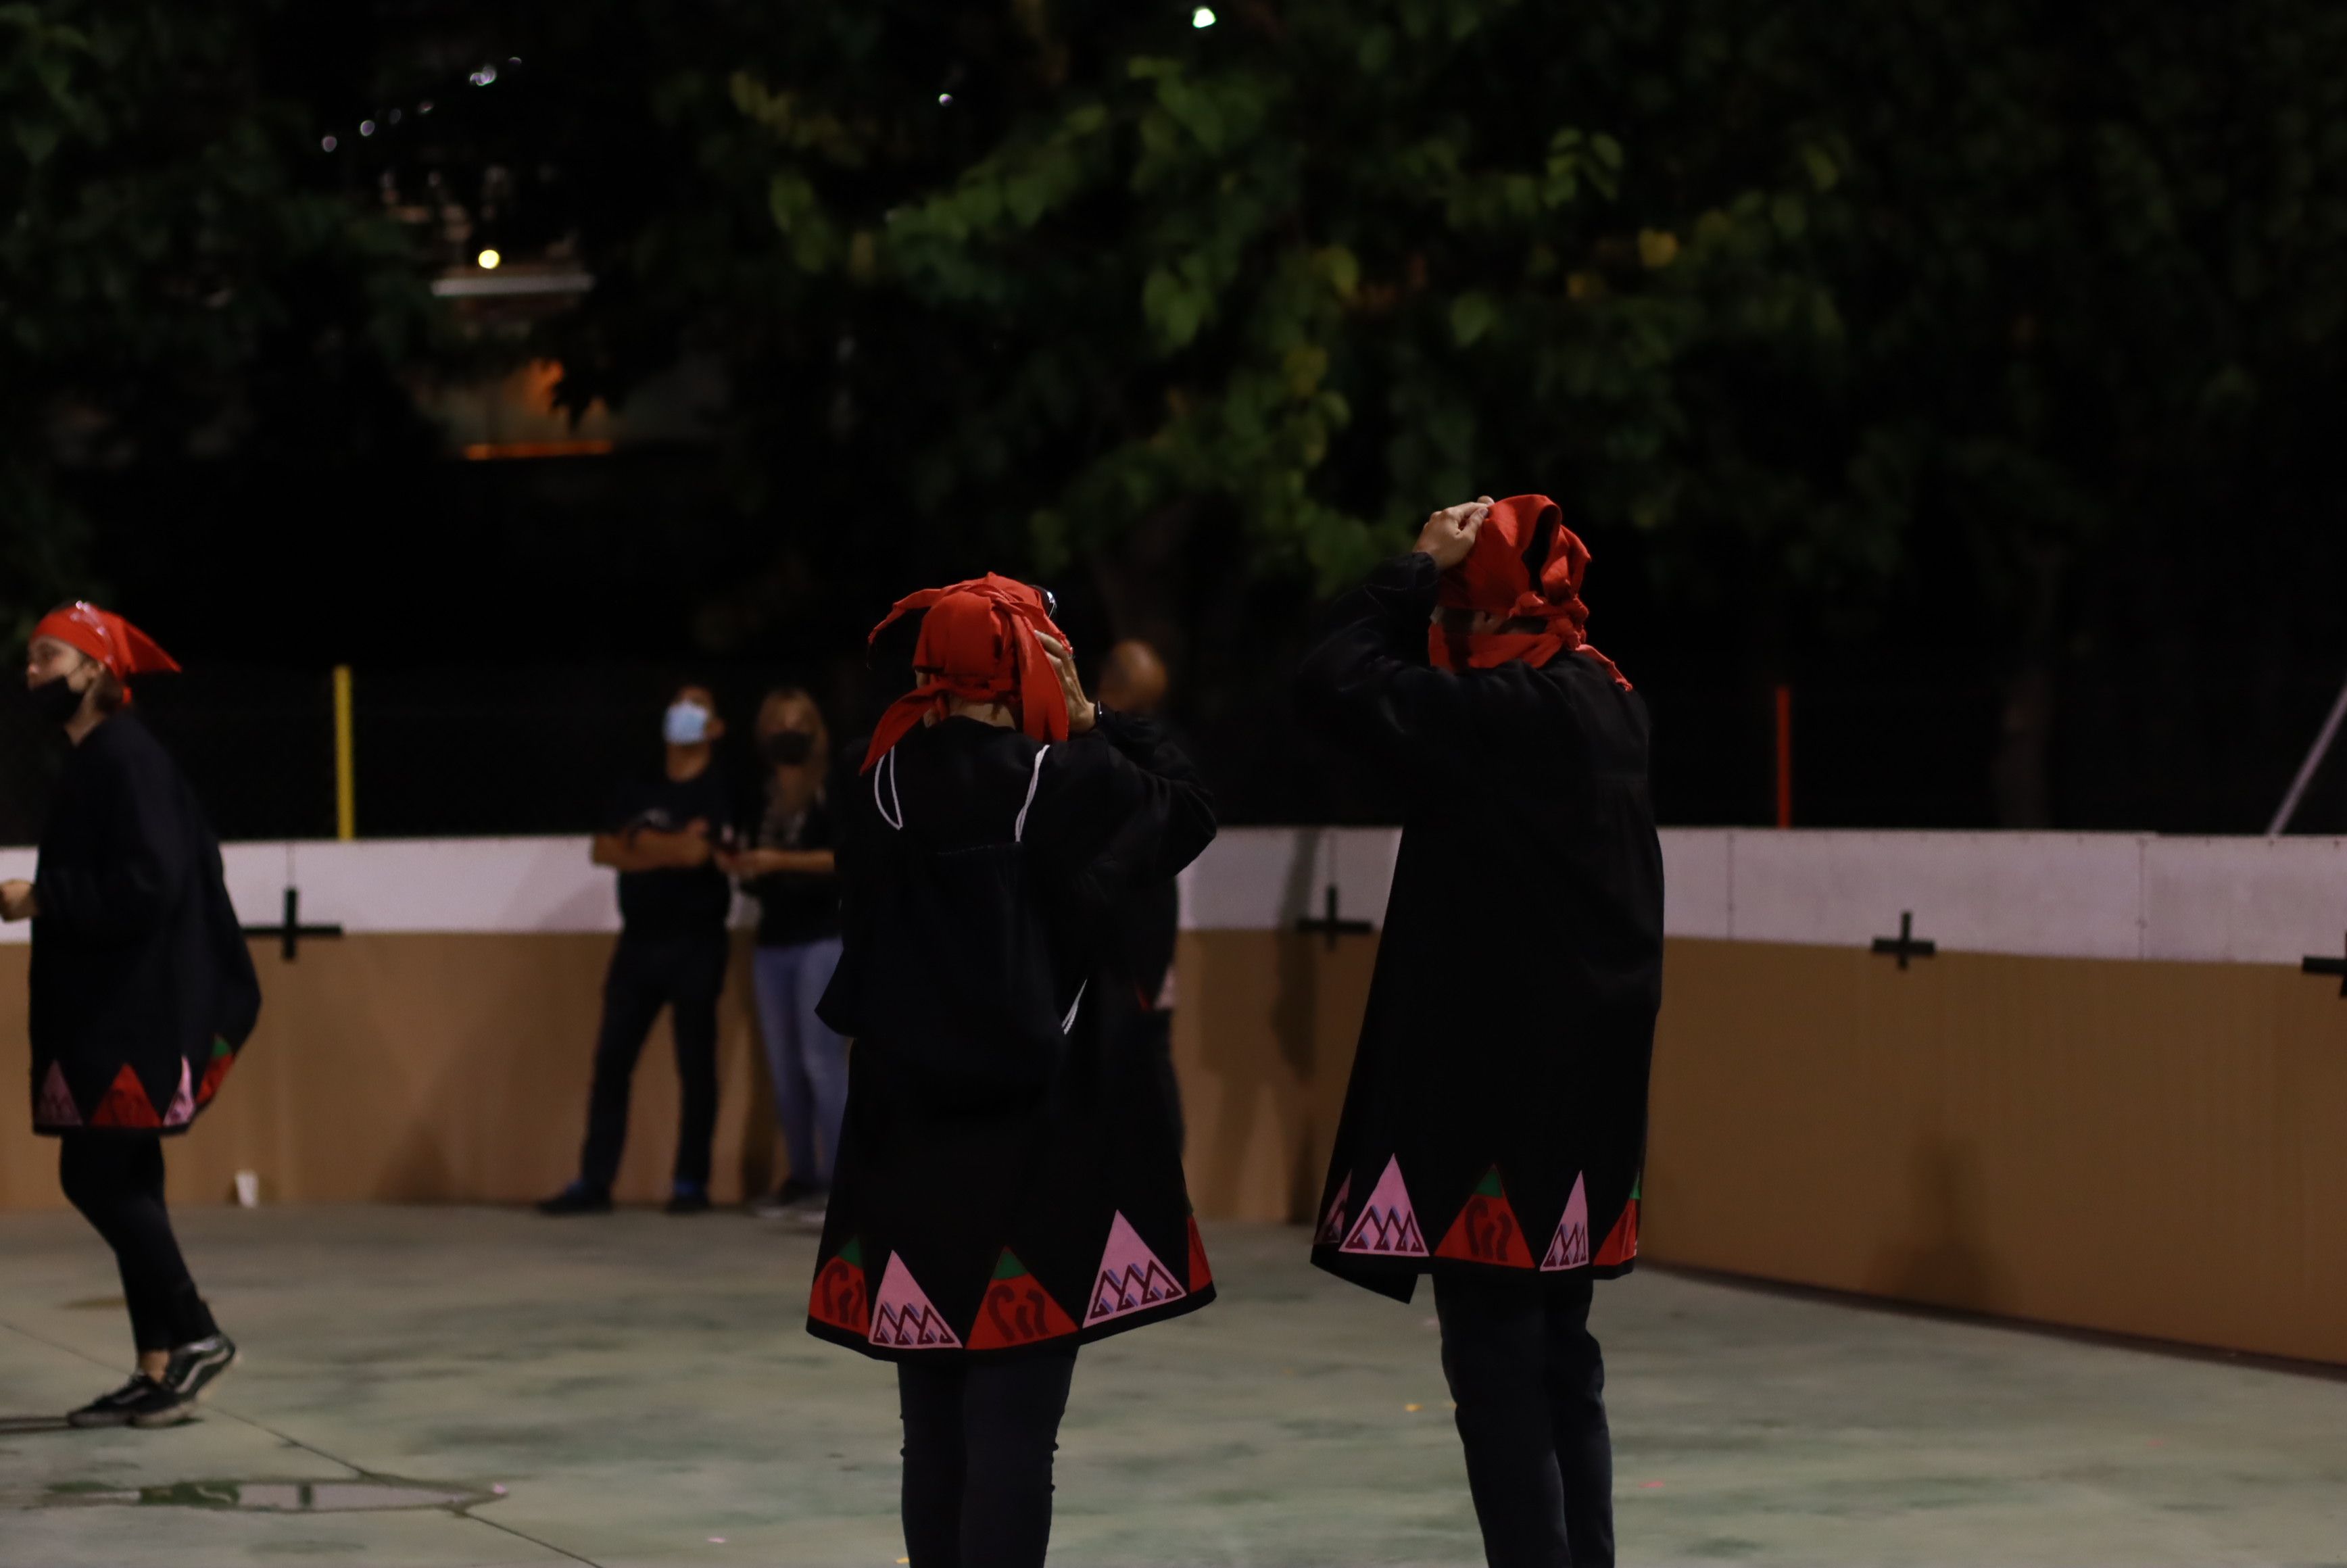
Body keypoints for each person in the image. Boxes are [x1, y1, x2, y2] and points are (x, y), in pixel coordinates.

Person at [807, 575, 1215, 1568]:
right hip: (1036, 1148)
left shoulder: (877, 790)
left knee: (934, 1428)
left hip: (906, 1142)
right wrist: (1096, 717)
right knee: (1015, 1437)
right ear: (1029, 663)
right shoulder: (1056, 778)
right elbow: (1187, 814)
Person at [1297, 497, 1663, 1568]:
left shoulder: (1508, 713)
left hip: (1498, 1103)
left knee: (1499, 1371)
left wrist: (1411, 565)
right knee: (1563, 1362)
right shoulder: (1607, 696)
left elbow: (1328, 677)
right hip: (1591, 1101)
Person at [4, 602, 261, 1429]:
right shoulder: (98, 759)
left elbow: (150, 884)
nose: (32, 673)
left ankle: (196, 1334)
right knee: (122, 1174)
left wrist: (42, 896)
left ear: (98, 673)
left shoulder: (124, 757)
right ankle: (156, 1365)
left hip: (135, 1010)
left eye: (48, 658)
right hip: (111, 1002)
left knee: (96, 1174)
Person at [541, 684, 737, 1217]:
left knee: (695, 1066)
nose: (683, 714)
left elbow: (701, 854)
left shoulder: (719, 788)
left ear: (714, 727)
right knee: (611, 1062)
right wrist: (670, 848)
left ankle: (690, 1184)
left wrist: (643, 848)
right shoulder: (639, 784)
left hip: (697, 943)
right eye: (678, 704)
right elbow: (603, 849)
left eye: (697, 706)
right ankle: (594, 1181)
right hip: (638, 944)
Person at [720, 687, 846, 1225]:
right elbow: (748, 850)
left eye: (798, 723)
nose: (786, 733)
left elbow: (846, 858)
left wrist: (779, 860)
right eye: (777, 724)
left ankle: (841, 1186)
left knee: (822, 1063)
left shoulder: (833, 787)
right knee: (785, 1067)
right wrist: (745, 865)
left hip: (822, 936)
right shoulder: (760, 793)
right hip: (772, 939)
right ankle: (800, 1179)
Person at [1094, 639, 1186, 1150]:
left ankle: (1166, 1189)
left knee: (1147, 1057)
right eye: (1141, 706)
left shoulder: (1152, 758)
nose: (1149, 721)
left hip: (1143, 945)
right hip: (1102, 946)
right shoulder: (1087, 749)